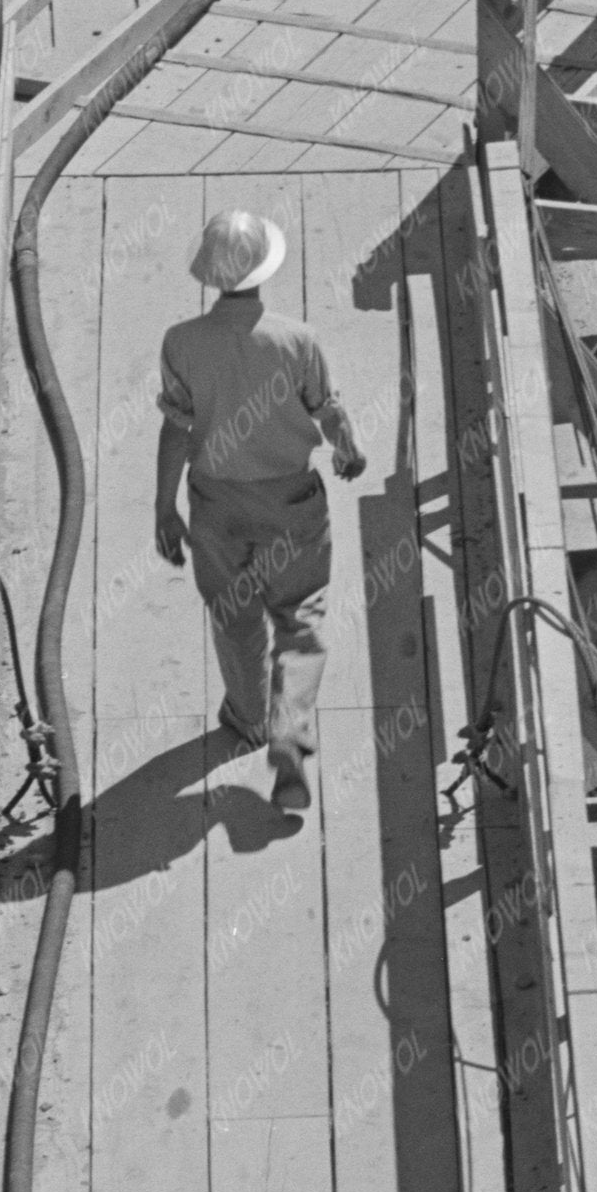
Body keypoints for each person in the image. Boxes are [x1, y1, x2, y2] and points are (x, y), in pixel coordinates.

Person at [151, 206, 363, 825]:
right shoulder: (296, 339)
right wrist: (349, 450)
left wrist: (164, 507)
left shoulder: (181, 343)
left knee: (234, 615)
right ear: (265, 271)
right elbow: (328, 412)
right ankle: (288, 736)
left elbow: (175, 429)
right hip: (291, 502)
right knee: (299, 618)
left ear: (210, 276)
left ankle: (247, 717)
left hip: (217, 506)